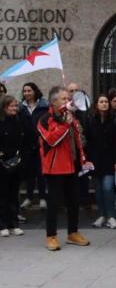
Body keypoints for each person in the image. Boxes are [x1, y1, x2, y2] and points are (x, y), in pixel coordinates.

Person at [37, 86, 93, 251]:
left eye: (68, 99)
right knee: (54, 204)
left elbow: (77, 141)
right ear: (53, 102)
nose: (68, 102)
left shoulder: (70, 117)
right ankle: (51, 236)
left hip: (72, 166)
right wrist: (65, 125)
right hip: (54, 168)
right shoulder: (44, 119)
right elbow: (51, 140)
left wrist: (83, 160)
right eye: (64, 99)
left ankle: (73, 233)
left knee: (74, 202)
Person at [85, 94, 116, 229]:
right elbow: (88, 142)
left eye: (106, 101)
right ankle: (101, 215)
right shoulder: (90, 120)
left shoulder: (115, 120)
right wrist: (87, 160)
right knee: (99, 189)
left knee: (108, 187)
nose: (104, 104)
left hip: (110, 159)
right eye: (101, 101)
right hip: (95, 160)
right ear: (96, 104)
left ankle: (111, 216)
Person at [19, 82, 49, 210]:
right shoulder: (21, 108)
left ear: (35, 91)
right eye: (24, 91)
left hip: (41, 143)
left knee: (41, 172)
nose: (26, 93)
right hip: (26, 145)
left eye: (29, 91)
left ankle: (42, 197)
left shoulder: (44, 106)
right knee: (29, 173)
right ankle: (29, 197)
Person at [0, 95, 26, 237]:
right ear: (4, 107)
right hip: (2, 164)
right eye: (11, 106)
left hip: (16, 163)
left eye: (16, 106)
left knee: (13, 195)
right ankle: (2, 224)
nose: (14, 108)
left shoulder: (18, 121)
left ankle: (13, 223)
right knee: (2, 195)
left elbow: (23, 140)